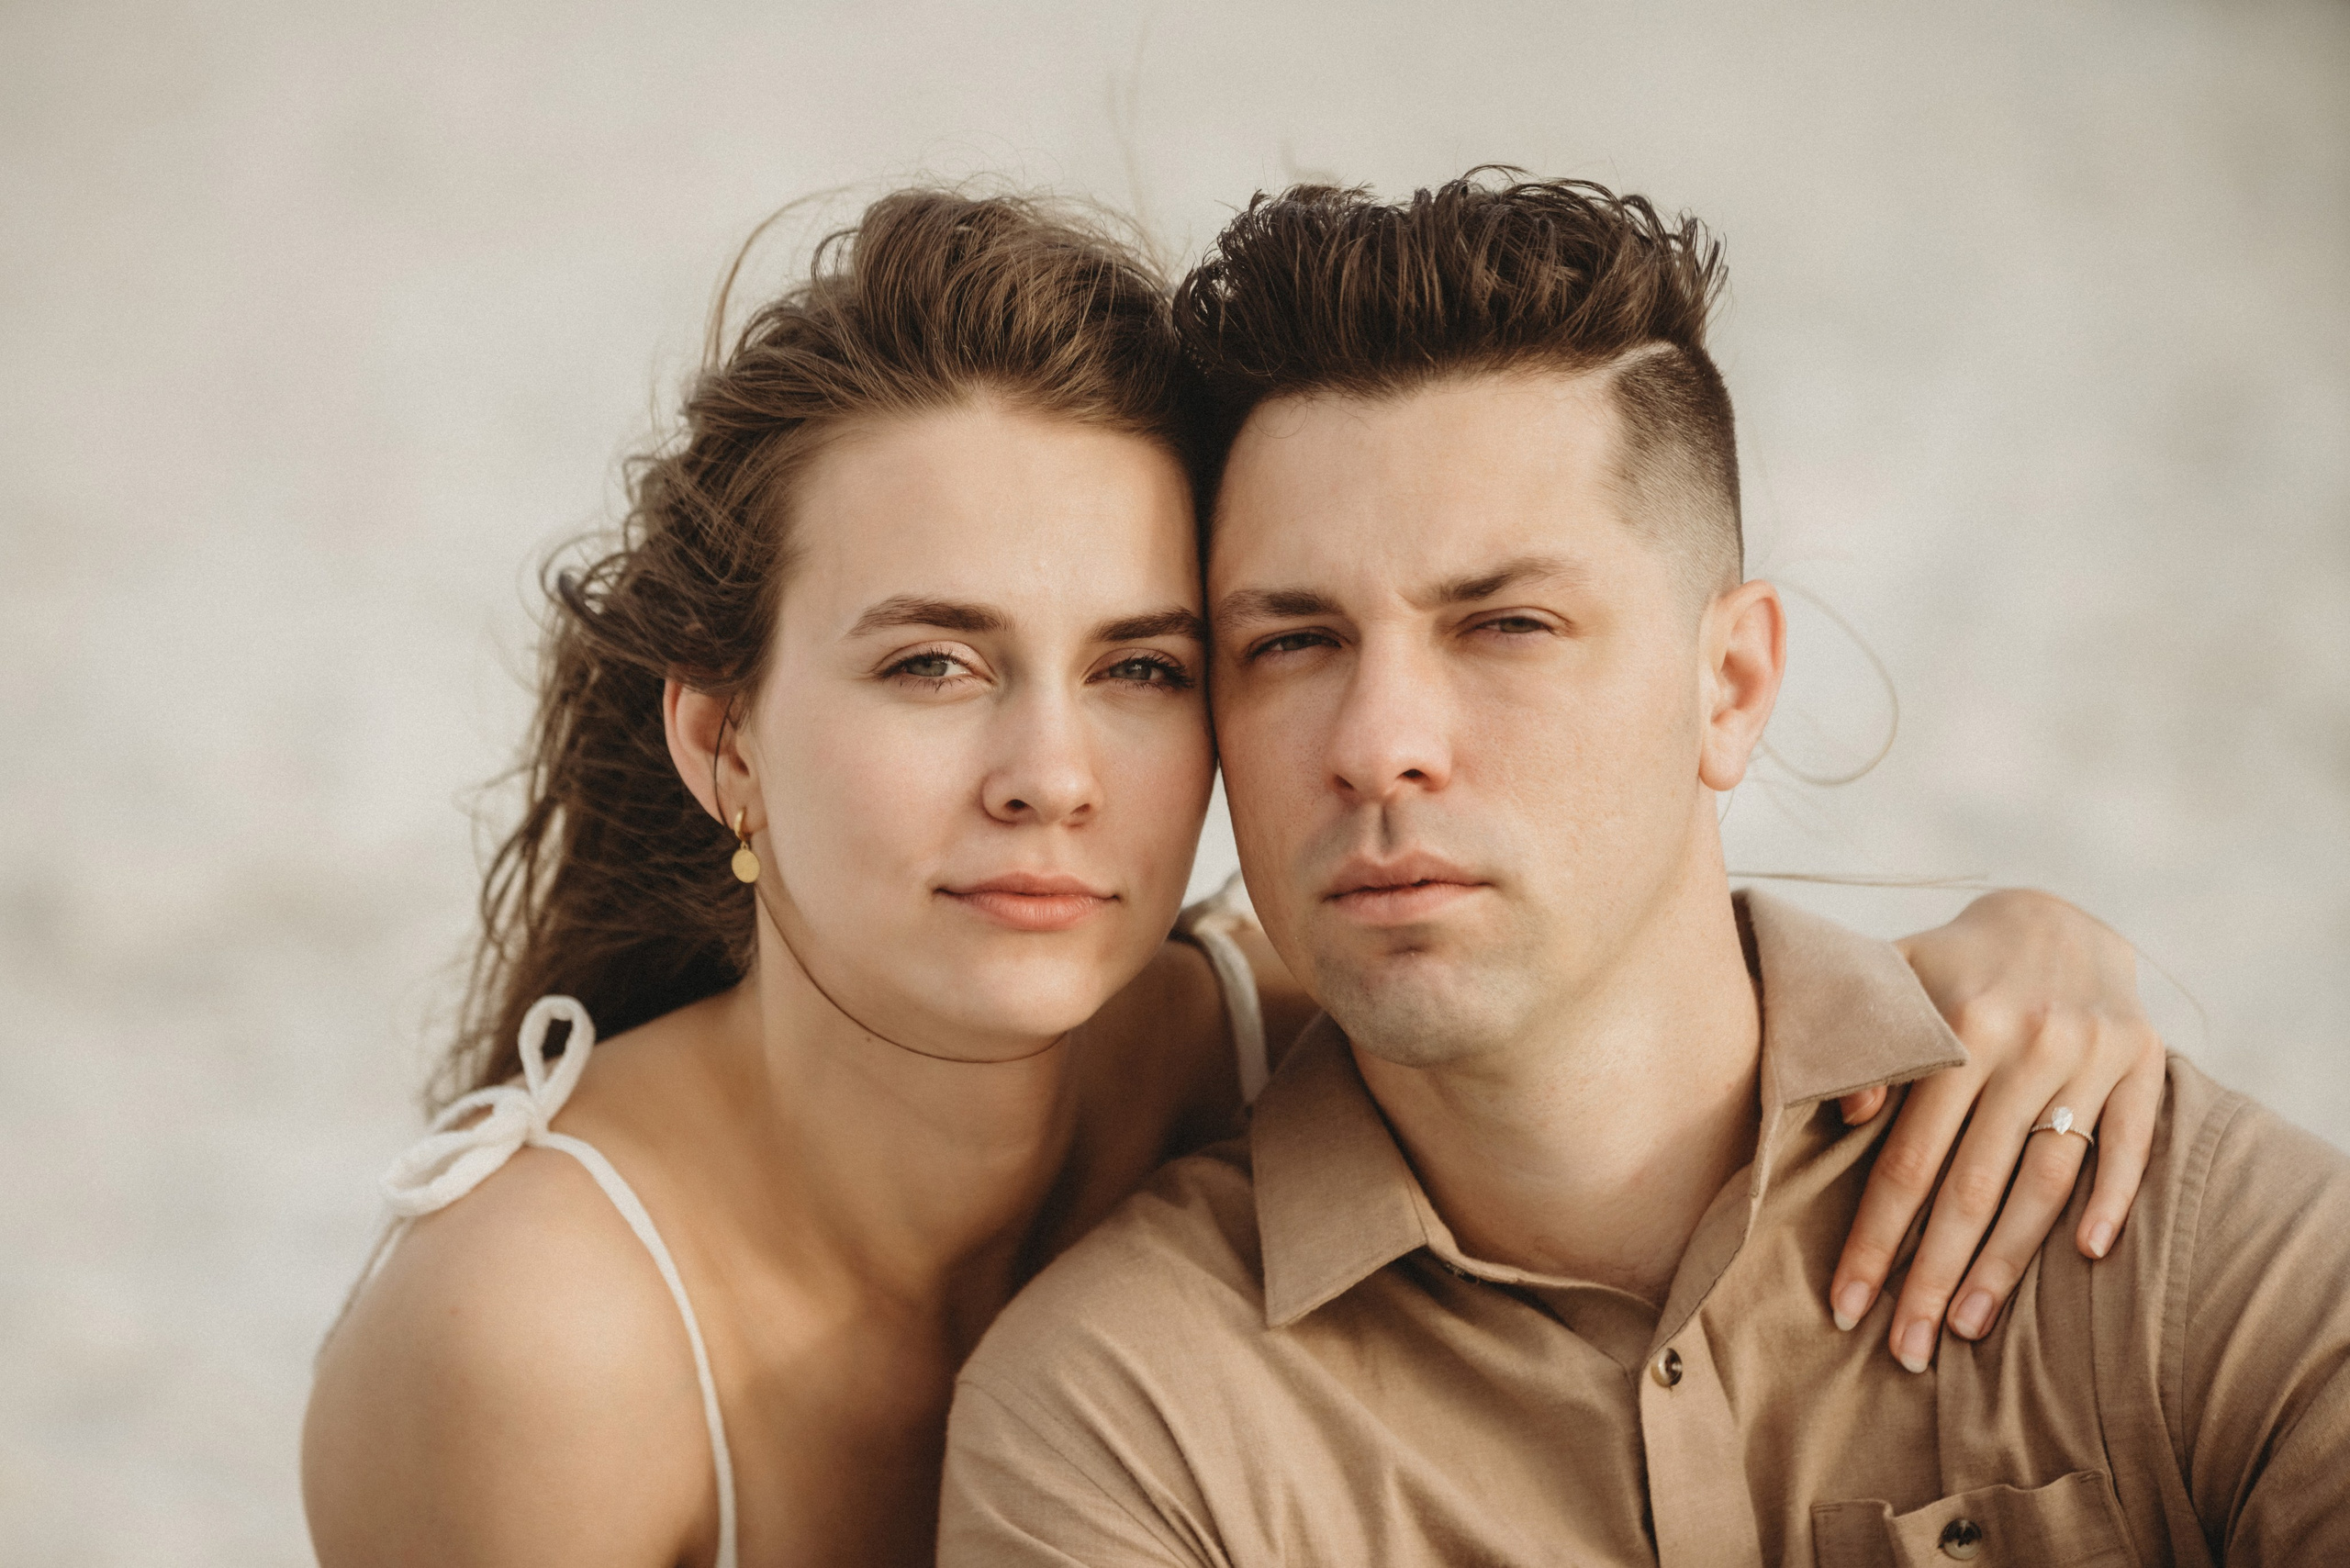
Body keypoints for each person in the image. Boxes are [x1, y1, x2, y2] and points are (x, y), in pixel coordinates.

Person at [302, 187, 2164, 1568]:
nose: (1047, 777)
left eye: (1139, 666)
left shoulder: (1243, 1033)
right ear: (719, 739)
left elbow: (1617, 979)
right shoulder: (536, 1341)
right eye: (929, 661)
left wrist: (2016, 950)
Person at [935, 173, 2350, 1566]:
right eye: (1292, 643)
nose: (1378, 747)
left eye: (1506, 625)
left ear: (1729, 685)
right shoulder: (1128, 1423)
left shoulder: (2165, 1234)